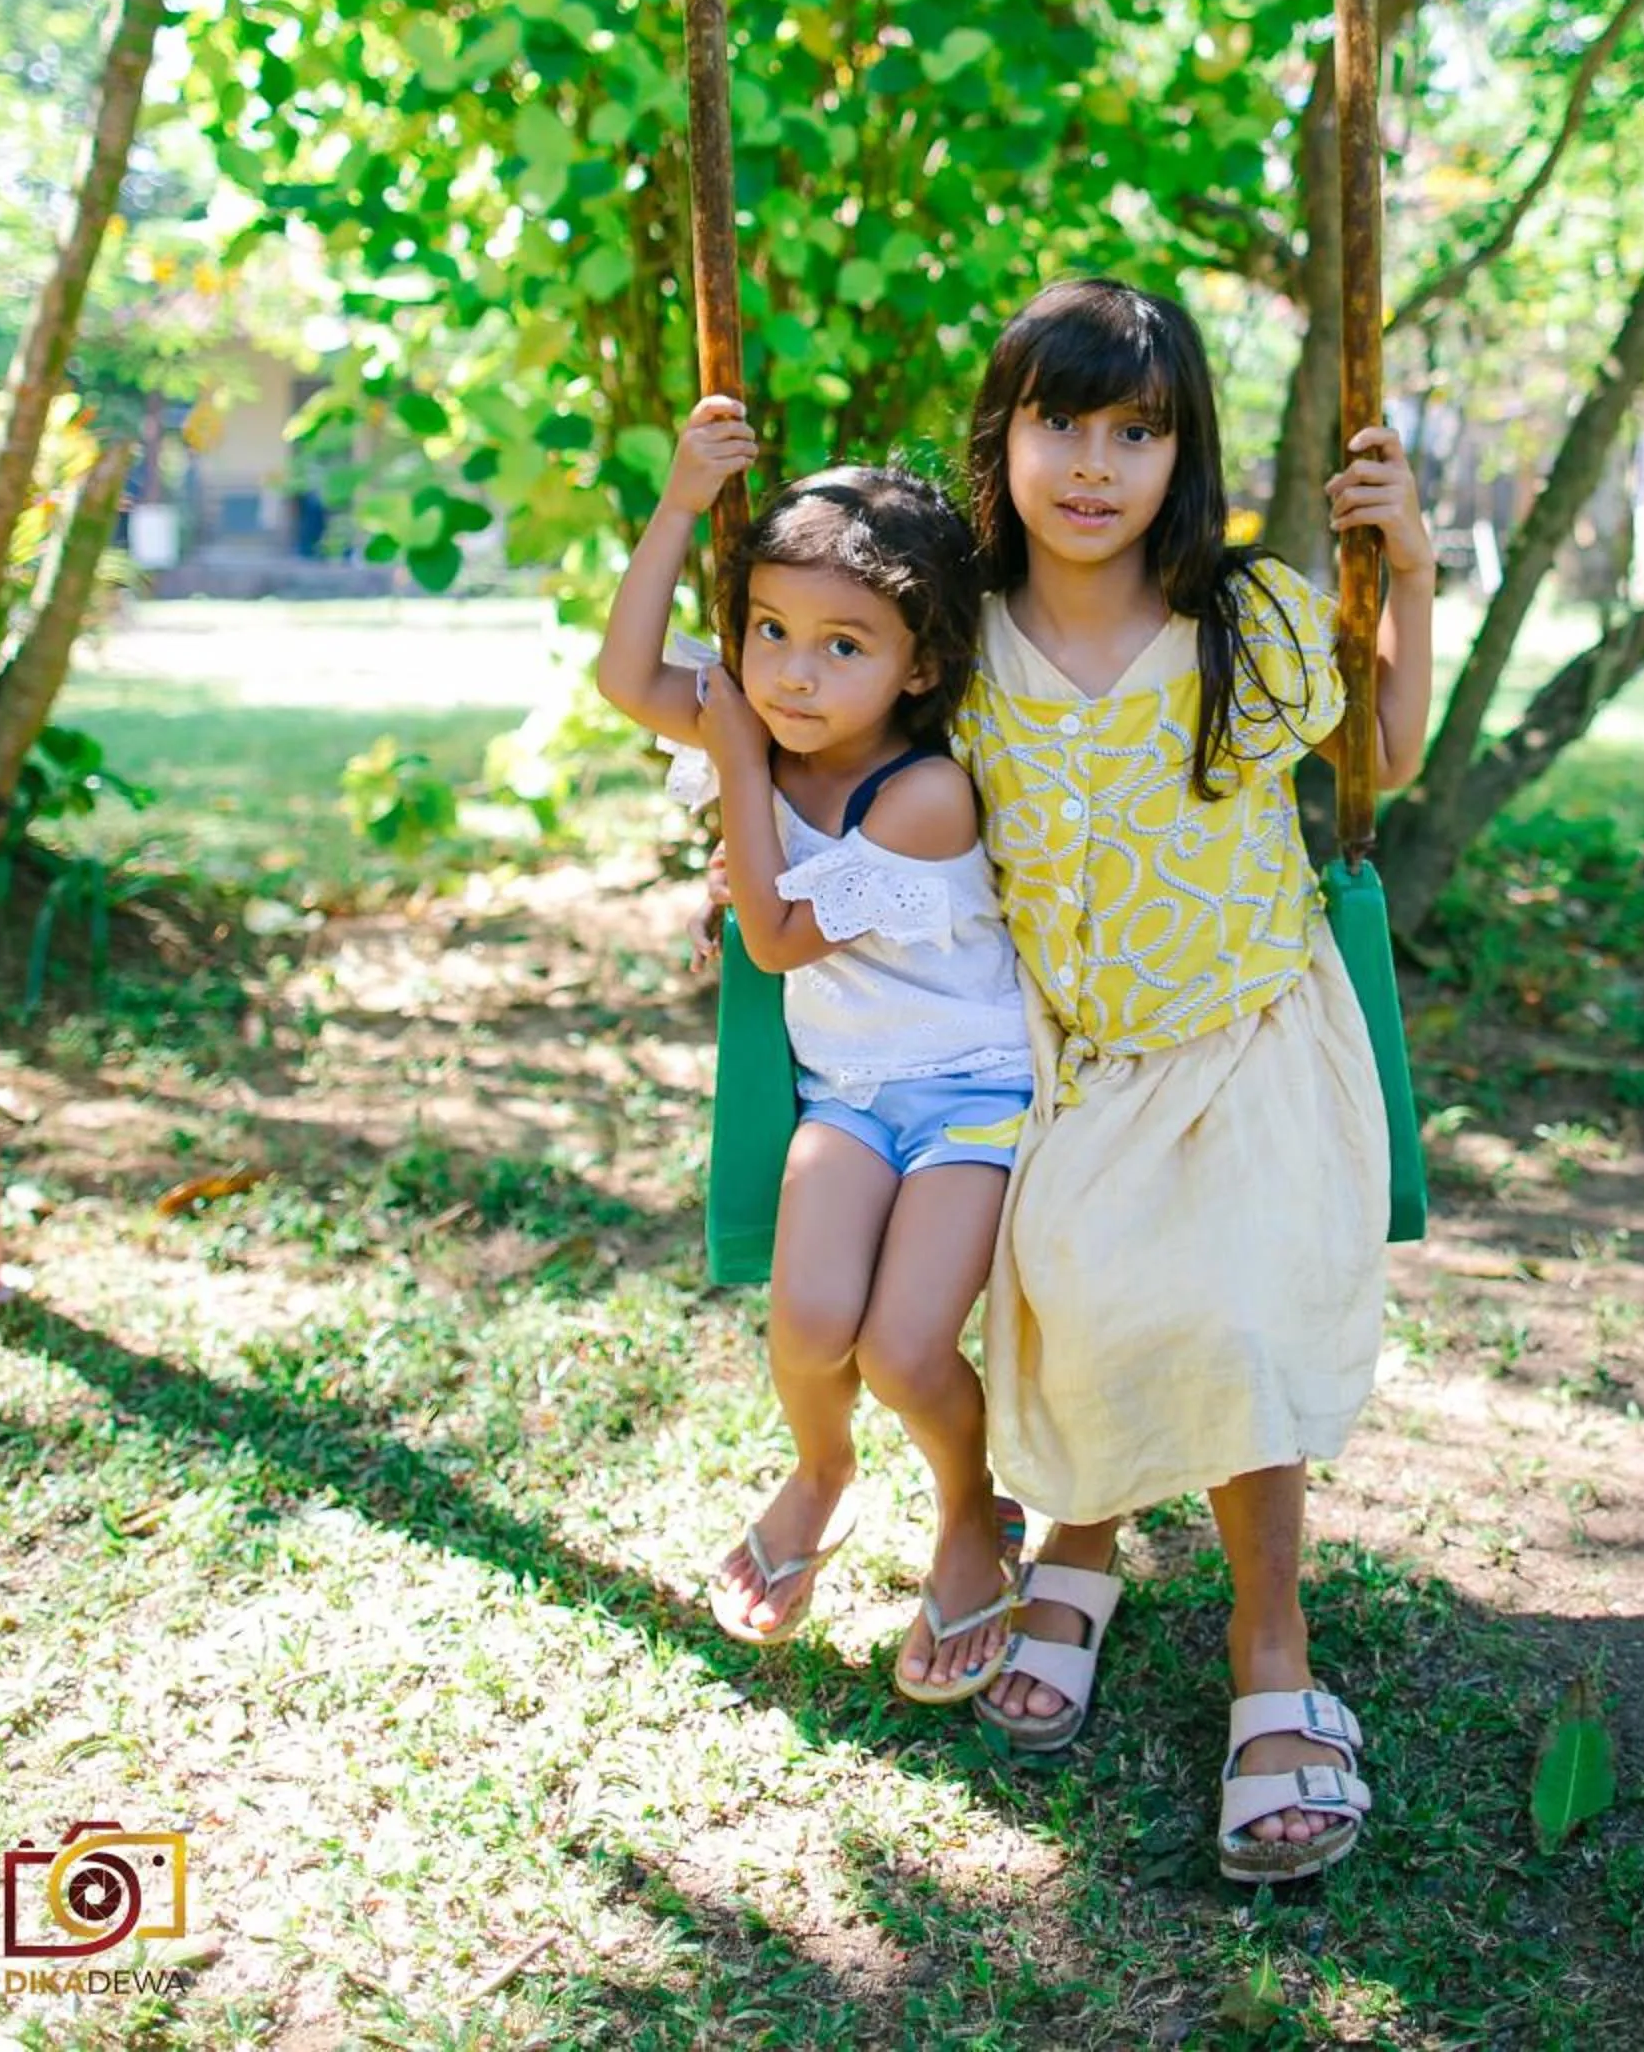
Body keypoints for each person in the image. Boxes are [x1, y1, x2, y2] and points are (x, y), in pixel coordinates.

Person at [952, 280, 1433, 1882]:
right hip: (1076, 1056)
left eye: (1136, 433)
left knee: (1225, 1319)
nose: (1094, 465)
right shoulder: (958, 636)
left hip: (1251, 1029)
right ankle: (1078, 1542)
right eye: (1060, 425)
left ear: (1183, 453)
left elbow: (1387, 747)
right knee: (1089, 1304)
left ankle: (1271, 1652)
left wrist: (1409, 568)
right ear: (1003, 437)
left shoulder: (1245, 619)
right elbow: (812, 738)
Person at [596, 398, 1032, 1704]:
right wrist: (681, 500)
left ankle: (969, 1511)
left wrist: (730, 747)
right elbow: (625, 677)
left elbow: (778, 938)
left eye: (841, 645)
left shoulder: (921, 793)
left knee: (901, 1348)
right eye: (768, 634)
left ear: (914, 665)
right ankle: (822, 1473)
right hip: (846, 1094)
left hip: (972, 1098)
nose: (790, 673)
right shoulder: (770, 725)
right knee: (804, 1327)